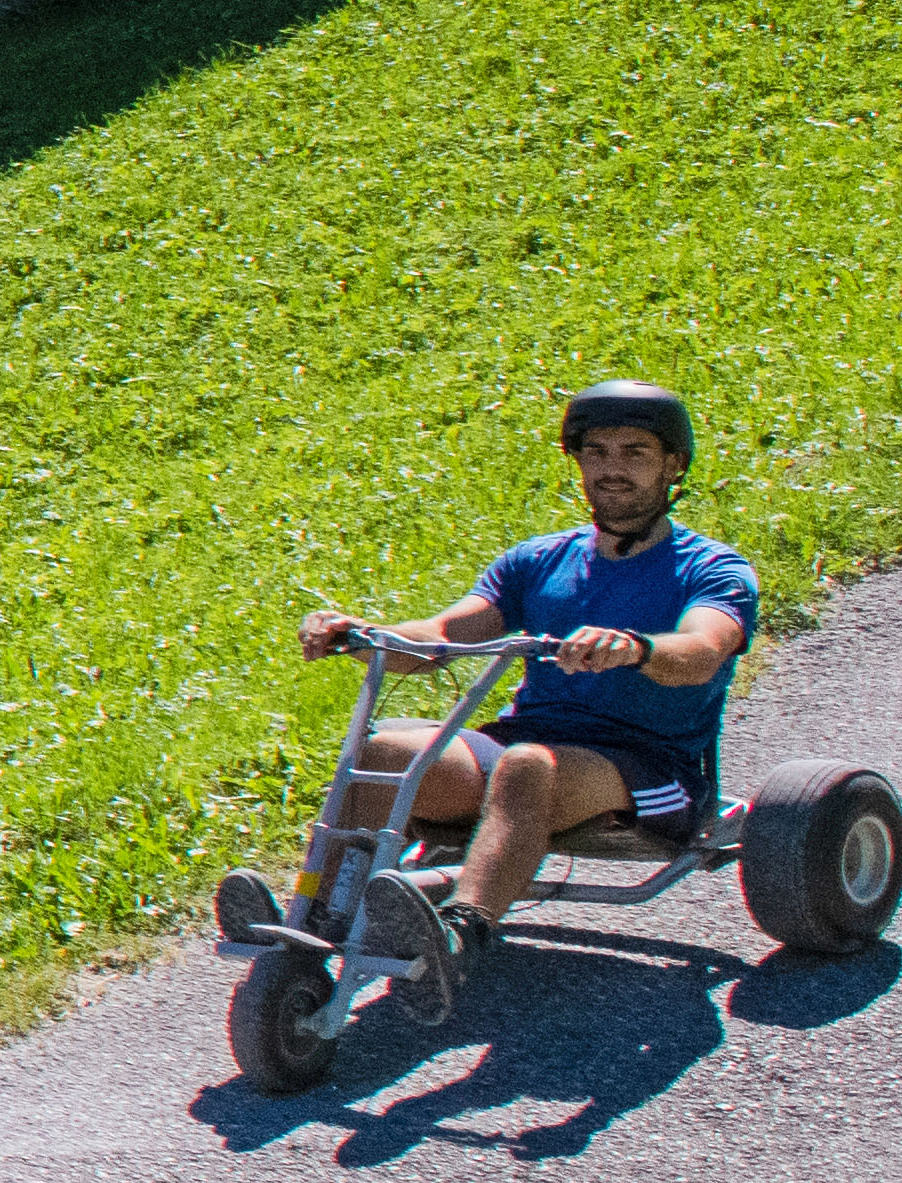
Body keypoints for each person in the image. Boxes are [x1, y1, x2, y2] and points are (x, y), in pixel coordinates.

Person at [304, 379, 761, 971]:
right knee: (384, 752)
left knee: (525, 767)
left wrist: (635, 648)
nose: (611, 469)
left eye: (635, 453)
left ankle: (461, 937)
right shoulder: (539, 561)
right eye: (596, 452)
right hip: (530, 744)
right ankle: (326, 918)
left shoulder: (713, 569)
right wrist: (363, 635)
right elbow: (442, 636)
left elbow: (703, 648)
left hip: (649, 765)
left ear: (674, 466)